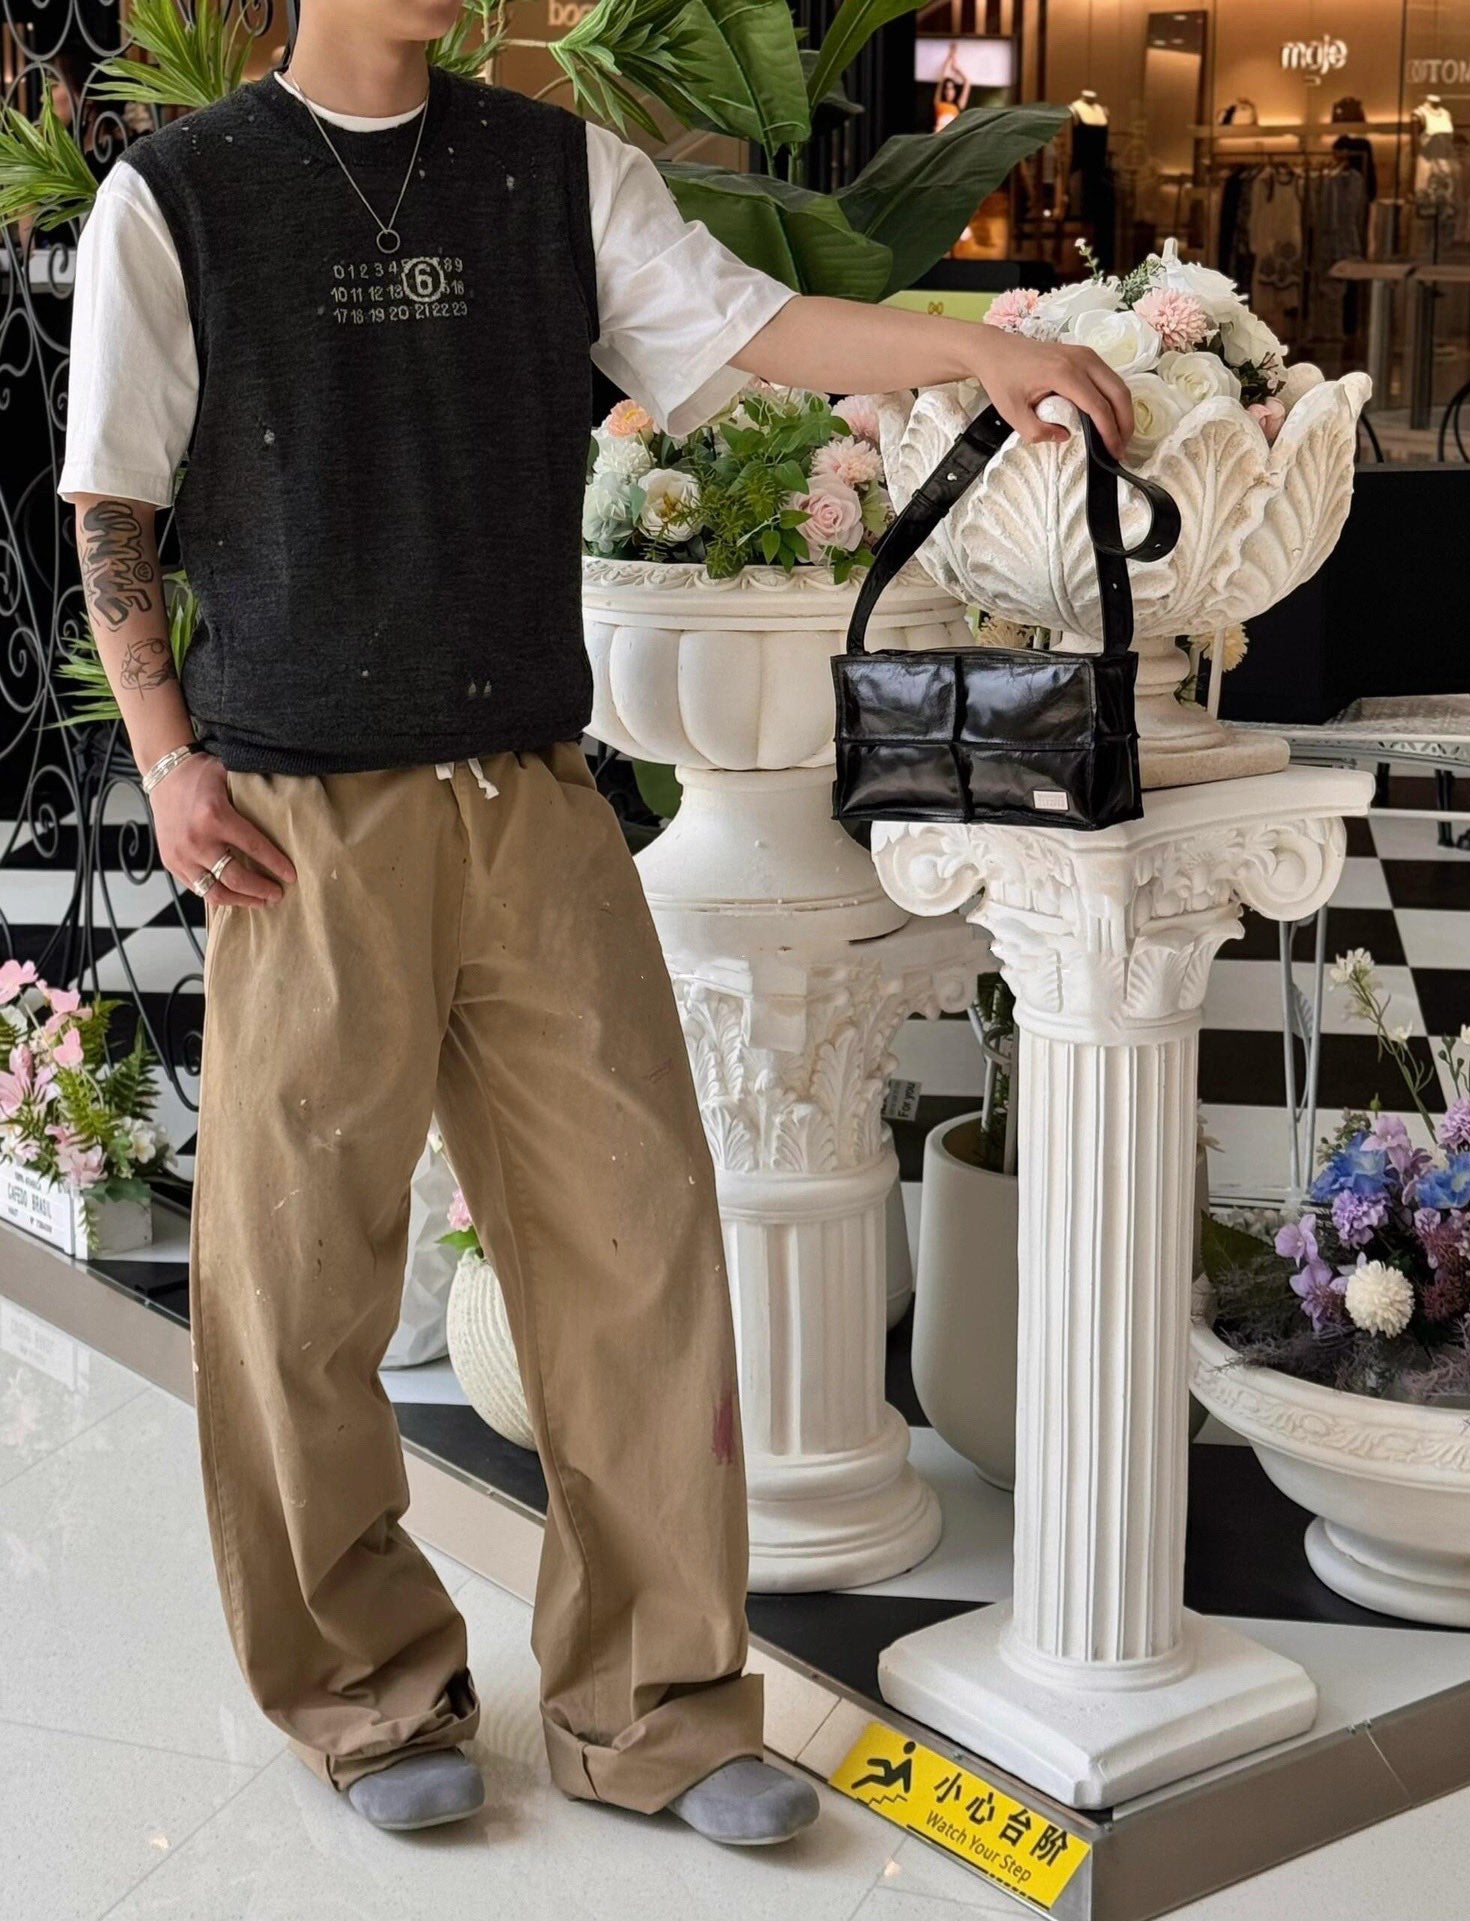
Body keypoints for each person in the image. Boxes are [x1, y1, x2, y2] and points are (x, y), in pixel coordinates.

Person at [60, 0, 1131, 1845]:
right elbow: (114, 501)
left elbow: (751, 325)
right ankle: (365, 1686)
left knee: (637, 1250)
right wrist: (165, 755)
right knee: (298, 1281)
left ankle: (656, 1706)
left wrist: (972, 345)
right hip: (302, 821)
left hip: (533, 800)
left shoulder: (549, 166)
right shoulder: (179, 193)